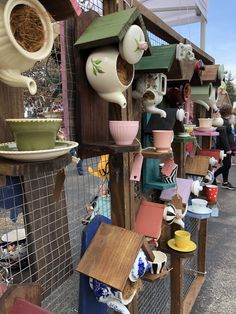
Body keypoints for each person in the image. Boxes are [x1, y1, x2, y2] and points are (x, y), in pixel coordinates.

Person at [213, 104, 235, 190]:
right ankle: (213, 176)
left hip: (227, 146)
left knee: (227, 164)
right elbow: (223, 136)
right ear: (228, 111)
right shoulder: (222, 121)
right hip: (225, 147)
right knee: (227, 165)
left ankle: (225, 182)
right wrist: (228, 149)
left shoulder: (225, 120)